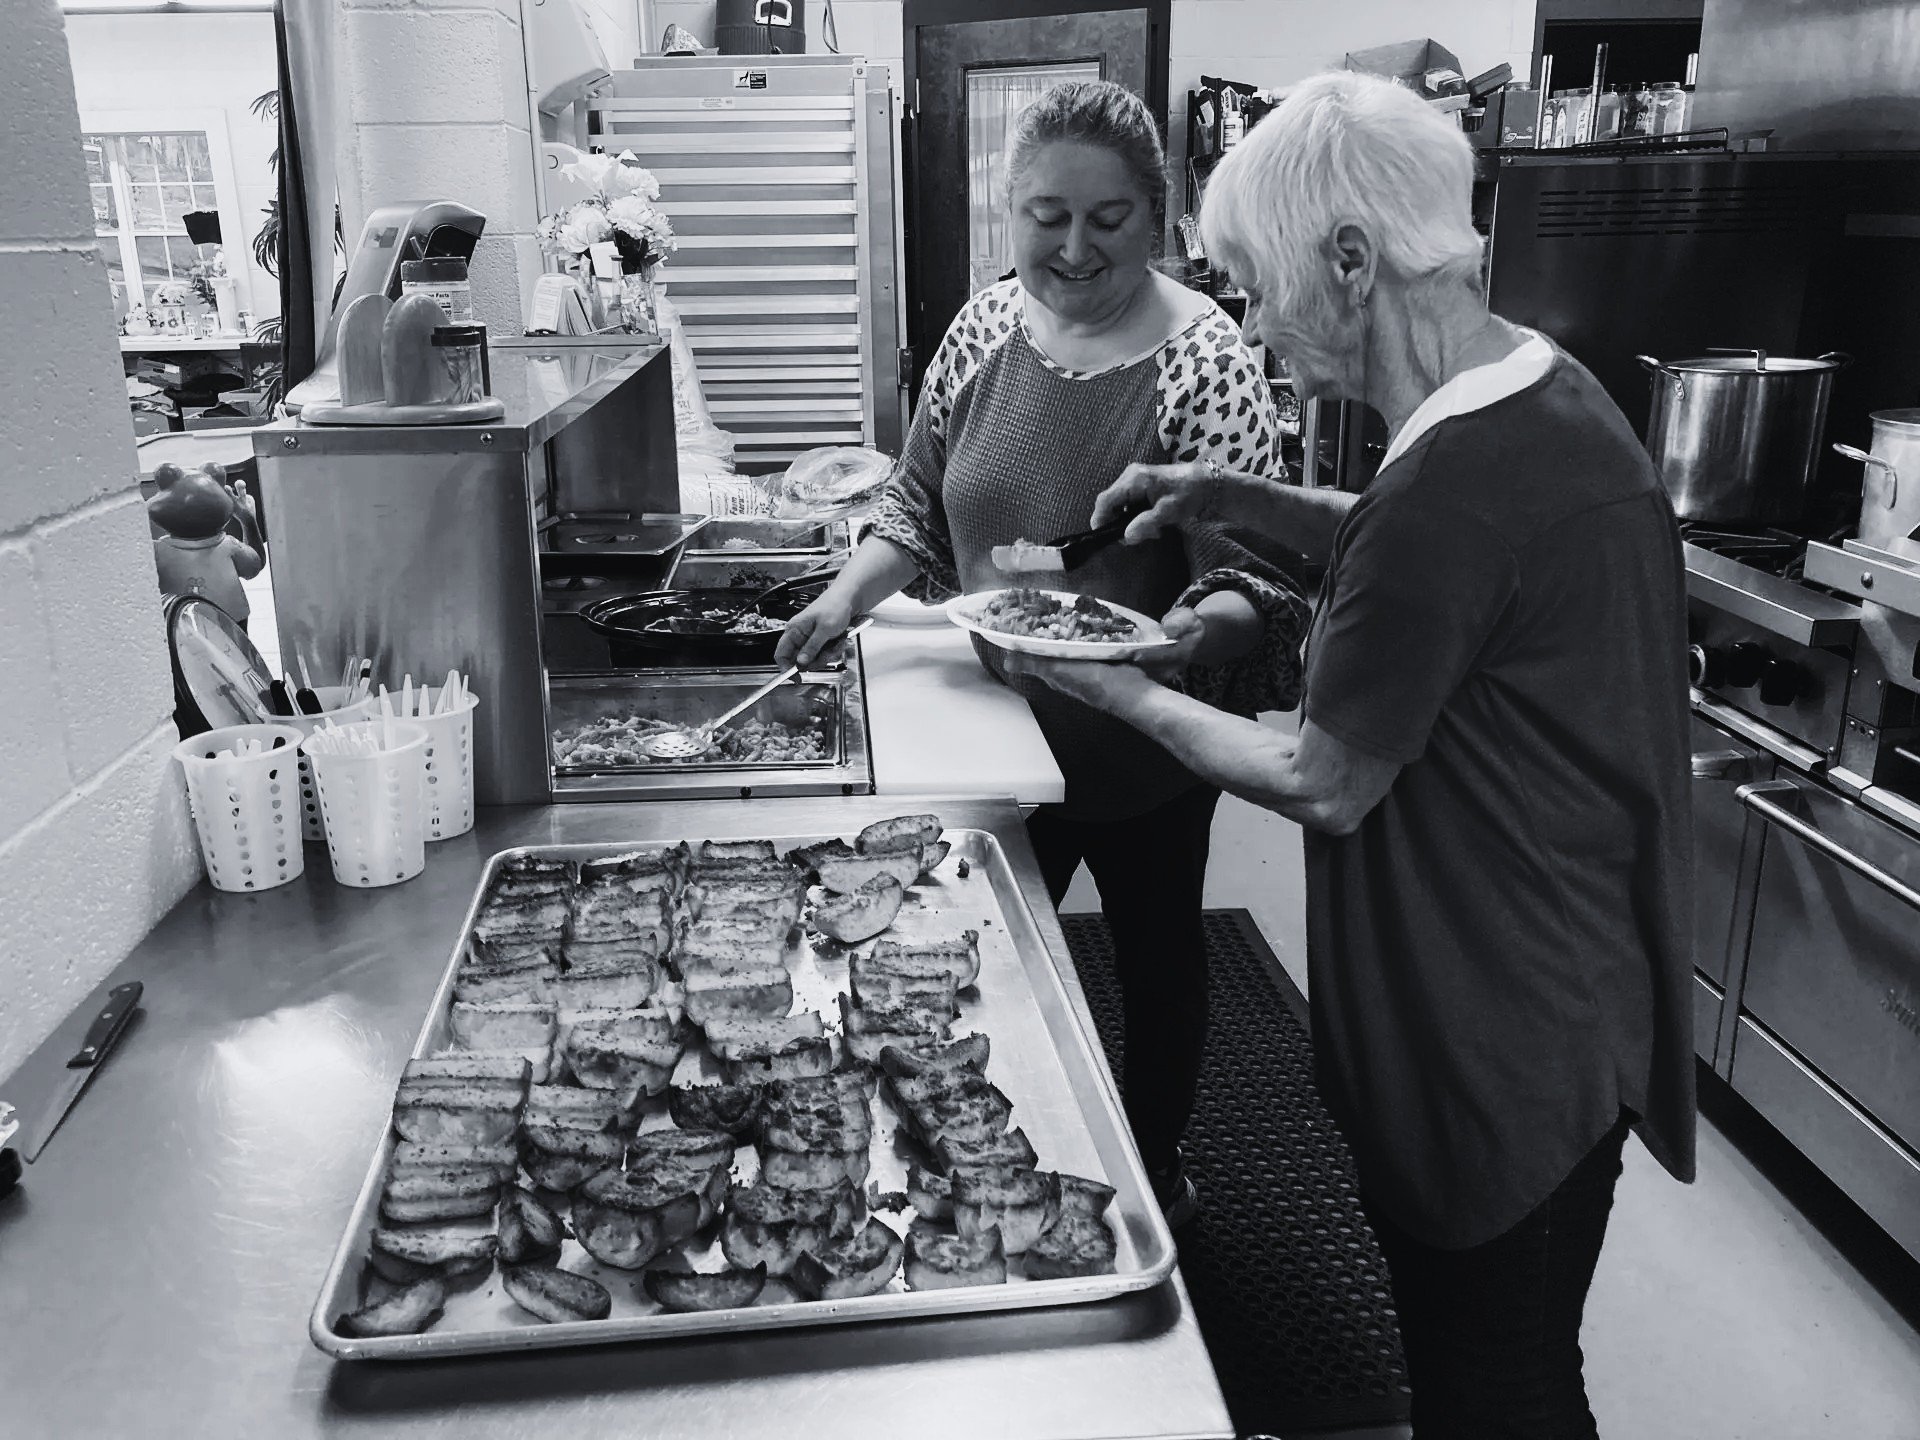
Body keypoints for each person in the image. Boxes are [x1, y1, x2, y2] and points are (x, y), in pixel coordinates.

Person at [1000, 70, 1695, 1438]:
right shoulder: (1535, 392)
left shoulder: (1454, 485)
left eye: (1257, 287)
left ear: (1352, 261)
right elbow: (1417, 553)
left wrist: (1105, 680)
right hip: (1578, 986)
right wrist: (1236, 495)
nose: (1252, 326)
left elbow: (1321, 775)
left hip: (1502, 1033)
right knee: (1503, 1364)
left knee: (1497, 1390)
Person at [778, 80, 1306, 1224]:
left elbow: (1254, 580)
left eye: (1107, 219)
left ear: (1157, 220)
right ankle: (973, 1165)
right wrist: (845, 597)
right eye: (1045, 215)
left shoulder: (1204, 360)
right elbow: (918, 502)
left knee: (1159, 962)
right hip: (986, 732)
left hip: (1140, 740)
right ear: (1010, 213)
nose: (1071, 248)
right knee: (970, 969)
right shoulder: (980, 329)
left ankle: (1153, 1177)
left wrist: (1172, 641)